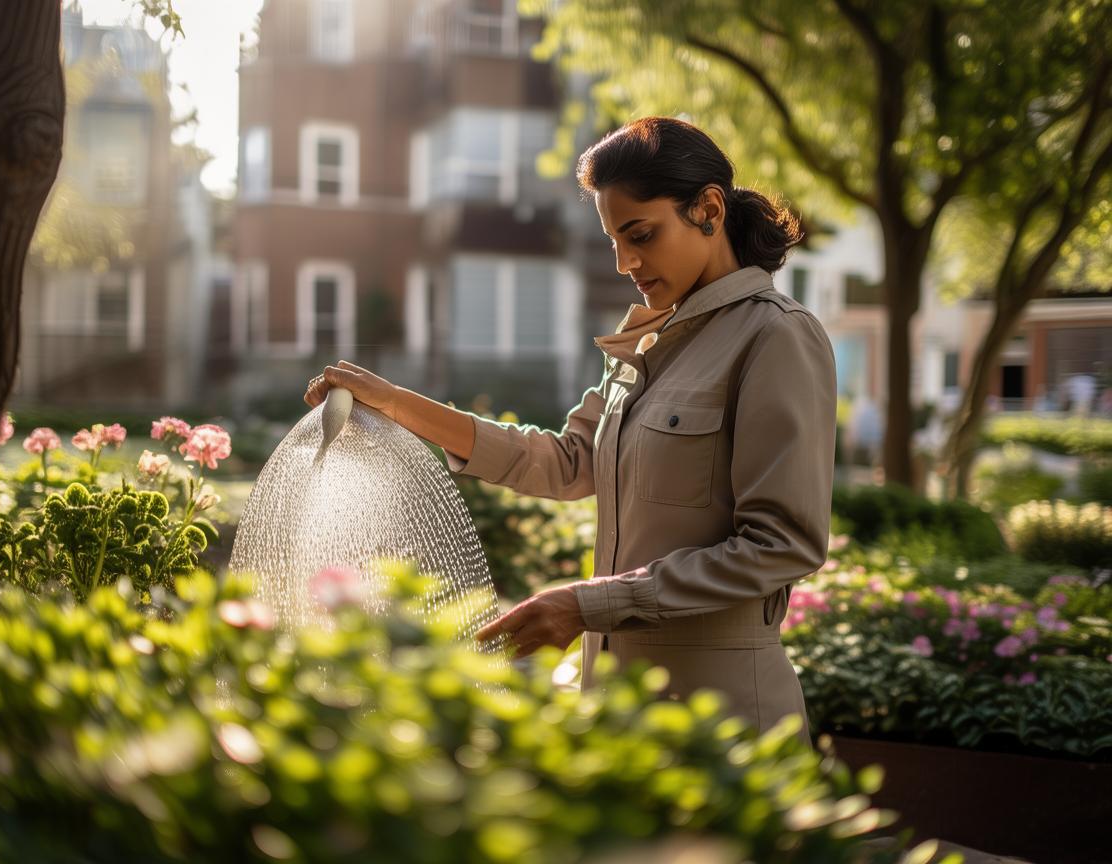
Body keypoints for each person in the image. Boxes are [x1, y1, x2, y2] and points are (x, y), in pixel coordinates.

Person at [305, 117, 836, 746]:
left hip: (724, 726)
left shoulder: (775, 336)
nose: (625, 263)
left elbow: (782, 545)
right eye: (614, 239)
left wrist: (588, 606)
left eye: (640, 235)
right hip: (620, 712)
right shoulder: (650, 340)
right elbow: (566, 461)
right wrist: (396, 404)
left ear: (709, 209)